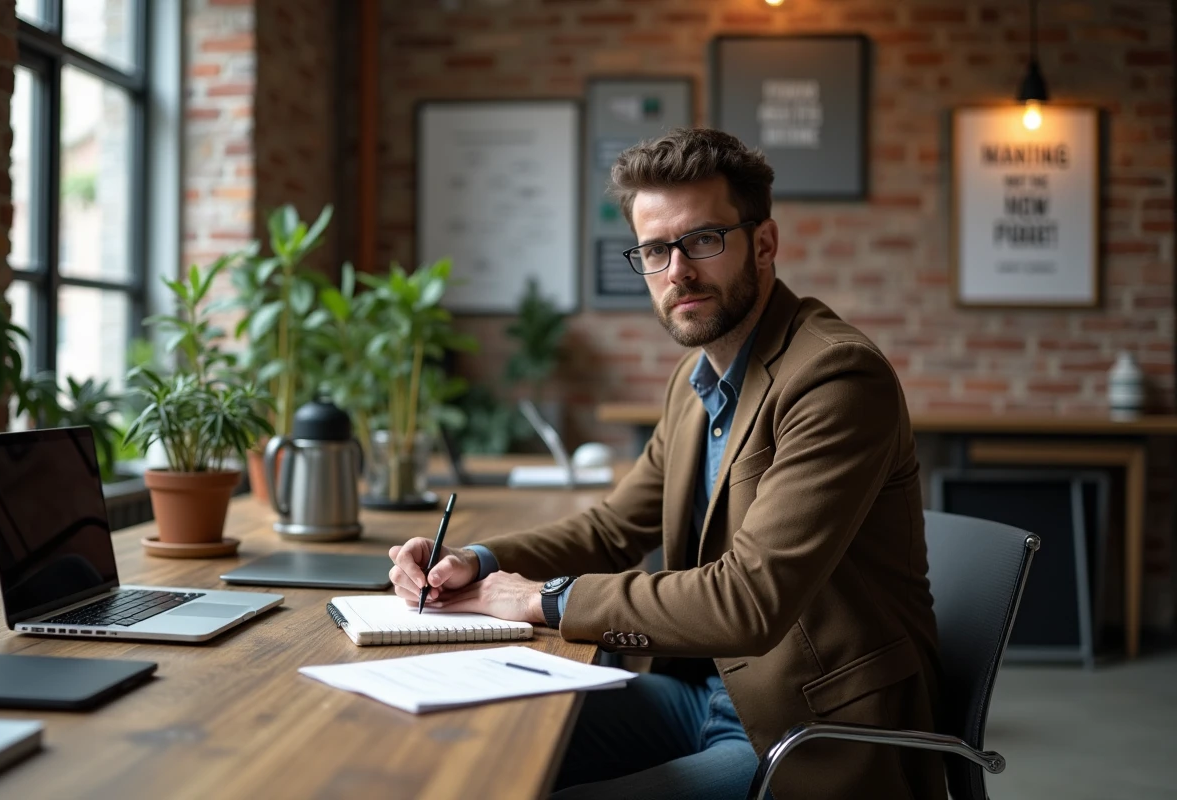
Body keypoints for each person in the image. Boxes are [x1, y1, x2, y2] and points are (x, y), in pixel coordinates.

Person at [389, 128, 946, 800]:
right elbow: (612, 528)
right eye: (656, 250)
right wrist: (475, 560)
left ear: (763, 244)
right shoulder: (696, 380)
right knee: (476, 742)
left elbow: (749, 600)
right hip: (701, 699)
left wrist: (539, 600)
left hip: (807, 729)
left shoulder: (834, 378)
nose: (678, 271)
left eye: (703, 240)